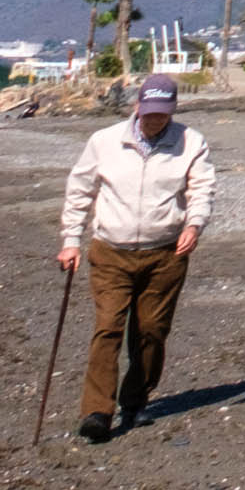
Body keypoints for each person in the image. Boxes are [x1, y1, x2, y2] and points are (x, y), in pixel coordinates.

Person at [58, 75, 215, 441]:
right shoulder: (104, 141)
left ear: (172, 111)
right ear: (136, 107)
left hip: (166, 253)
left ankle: (135, 400)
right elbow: (80, 190)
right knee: (108, 328)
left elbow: (202, 188)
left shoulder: (191, 142)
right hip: (111, 251)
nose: (154, 119)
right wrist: (70, 241)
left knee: (151, 332)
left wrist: (194, 225)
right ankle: (97, 411)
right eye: (148, 113)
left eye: (162, 114)